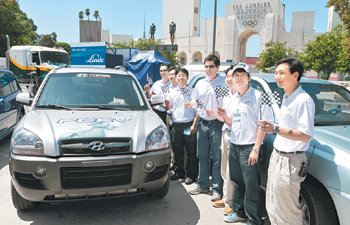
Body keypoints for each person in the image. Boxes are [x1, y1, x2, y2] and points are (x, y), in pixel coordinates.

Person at [260, 58, 315, 225]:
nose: (277, 77)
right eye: (276, 73)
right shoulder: (287, 96)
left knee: (287, 211)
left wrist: (275, 129)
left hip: (291, 161)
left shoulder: (303, 100)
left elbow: (305, 135)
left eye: (282, 73)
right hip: (278, 156)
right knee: (272, 202)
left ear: (295, 75)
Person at [211, 63, 264, 224]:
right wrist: (224, 116)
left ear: (249, 78)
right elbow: (233, 123)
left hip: (249, 146)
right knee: (237, 181)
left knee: (251, 184)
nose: (239, 78)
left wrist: (256, 148)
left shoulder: (258, 96)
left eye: (242, 75)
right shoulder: (234, 98)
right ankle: (239, 212)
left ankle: (254, 219)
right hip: (234, 144)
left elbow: (262, 125)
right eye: (236, 75)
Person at [186, 55, 225, 201]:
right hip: (202, 123)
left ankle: (217, 189)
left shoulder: (224, 83)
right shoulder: (200, 83)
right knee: (201, 156)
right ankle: (202, 185)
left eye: (211, 66)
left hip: (217, 124)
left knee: (217, 158)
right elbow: (195, 101)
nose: (208, 69)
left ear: (217, 68)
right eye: (206, 66)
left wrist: (217, 113)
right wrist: (191, 104)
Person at [209, 65, 237, 216]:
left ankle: (231, 203)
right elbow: (225, 119)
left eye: (232, 76)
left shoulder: (242, 96)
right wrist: (215, 114)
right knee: (224, 168)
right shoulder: (227, 97)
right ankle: (226, 199)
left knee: (232, 170)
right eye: (227, 76)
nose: (230, 79)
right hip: (225, 132)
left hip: (236, 136)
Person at [165, 68, 198, 185]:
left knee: (191, 150)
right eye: (178, 76)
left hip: (188, 125)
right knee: (177, 149)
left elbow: (197, 111)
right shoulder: (172, 92)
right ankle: (179, 172)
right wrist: (166, 105)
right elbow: (169, 108)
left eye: (183, 75)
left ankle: (191, 175)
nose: (180, 78)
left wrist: (194, 124)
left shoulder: (192, 91)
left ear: (187, 78)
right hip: (176, 125)